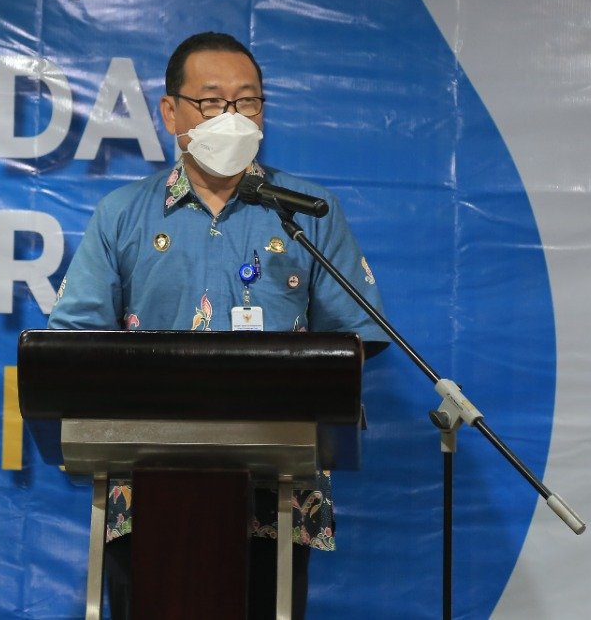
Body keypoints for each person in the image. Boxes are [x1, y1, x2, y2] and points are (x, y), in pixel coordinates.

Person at [48, 31, 389, 619]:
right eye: (211, 101)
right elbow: (74, 343)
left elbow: (355, 338)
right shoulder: (121, 215)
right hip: (147, 491)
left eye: (247, 100)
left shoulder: (306, 211)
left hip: (278, 491)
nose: (232, 116)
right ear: (170, 112)